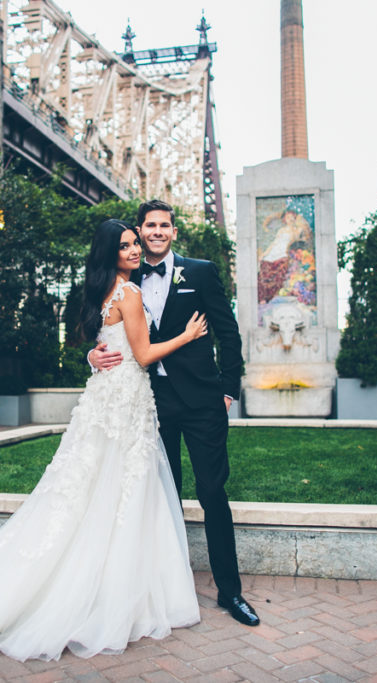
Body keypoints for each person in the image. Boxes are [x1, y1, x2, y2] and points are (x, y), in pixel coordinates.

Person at [0, 219, 207, 672]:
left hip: (105, 400)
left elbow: (104, 342)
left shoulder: (102, 294)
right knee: (123, 489)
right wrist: (186, 337)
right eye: (126, 246)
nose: (135, 250)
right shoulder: (131, 294)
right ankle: (113, 594)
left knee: (89, 488)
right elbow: (143, 355)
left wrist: (92, 355)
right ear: (110, 254)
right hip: (124, 403)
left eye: (136, 243)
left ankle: (98, 581)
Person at [88, 199, 260, 627]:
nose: (157, 232)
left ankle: (230, 592)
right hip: (153, 400)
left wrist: (229, 389)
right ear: (141, 231)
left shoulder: (200, 272)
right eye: (150, 226)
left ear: (174, 231)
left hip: (203, 402)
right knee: (162, 496)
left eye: (165, 225)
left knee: (212, 492)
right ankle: (169, 589)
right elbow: (101, 324)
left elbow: (228, 330)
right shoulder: (125, 274)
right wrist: (92, 356)